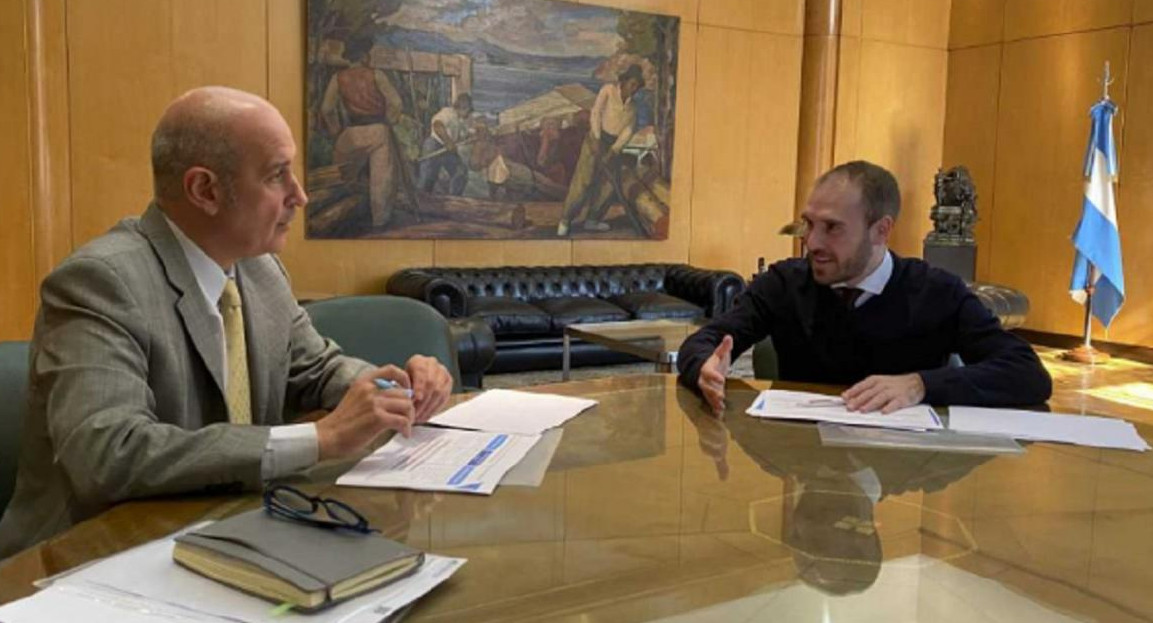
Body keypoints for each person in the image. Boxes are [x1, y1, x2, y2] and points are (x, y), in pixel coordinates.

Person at [0, 87, 454, 558]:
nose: (300, 195)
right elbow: (108, 454)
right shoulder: (101, 282)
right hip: (88, 557)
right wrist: (321, 439)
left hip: (229, 536)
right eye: (277, 175)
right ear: (205, 190)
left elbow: (315, 368)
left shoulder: (258, 269)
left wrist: (392, 391)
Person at [678, 160, 1052, 414]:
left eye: (832, 228)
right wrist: (704, 366)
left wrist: (921, 385)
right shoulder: (784, 283)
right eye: (809, 224)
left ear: (881, 230)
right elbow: (706, 342)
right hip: (799, 459)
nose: (812, 242)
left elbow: (1027, 374)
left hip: (899, 471)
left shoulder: (936, 292)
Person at [320, 35, 404, 228]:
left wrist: (335, 132)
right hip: (377, 131)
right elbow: (397, 103)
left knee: (341, 177)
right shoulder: (377, 75)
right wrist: (389, 121)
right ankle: (379, 224)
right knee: (381, 182)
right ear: (365, 56)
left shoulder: (338, 78)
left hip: (351, 134)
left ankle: (336, 219)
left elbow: (326, 109)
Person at [556, 64, 644, 236]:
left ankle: (592, 219)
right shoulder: (608, 90)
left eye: (637, 86)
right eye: (632, 84)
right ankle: (565, 220)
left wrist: (613, 151)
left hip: (613, 146)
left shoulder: (633, 107)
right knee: (584, 181)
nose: (634, 89)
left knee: (608, 185)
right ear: (624, 81)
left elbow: (628, 131)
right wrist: (596, 140)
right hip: (596, 138)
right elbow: (595, 113)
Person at [417, 93, 474, 196]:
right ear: (463, 107)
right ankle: (422, 198)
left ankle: (454, 198)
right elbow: (437, 125)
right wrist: (448, 141)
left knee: (460, 171)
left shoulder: (460, 120)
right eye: (468, 111)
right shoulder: (448, 113)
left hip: (447, 150)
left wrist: (470, 137)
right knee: (428, 175)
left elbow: (463, 135)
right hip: (434, 145)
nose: (468, 114)